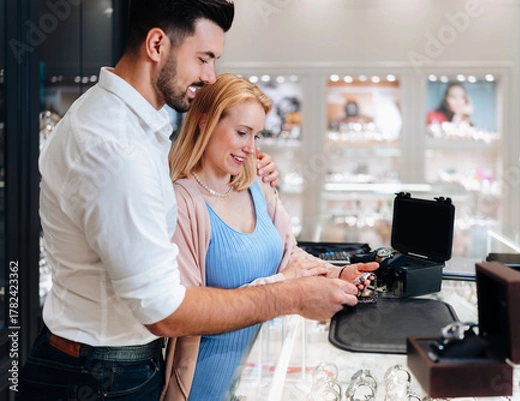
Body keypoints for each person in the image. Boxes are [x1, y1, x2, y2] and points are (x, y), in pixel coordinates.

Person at [18, 1, 363, 400]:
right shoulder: (116, 146)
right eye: (203, 59)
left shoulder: (131, 124)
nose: (209, 76)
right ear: (157, 44)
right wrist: (293, 296)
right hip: (100, 377)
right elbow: (165, 312)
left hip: (107, 365)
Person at [163, 74, 379, 401]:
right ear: (204, 123)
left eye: (257, 135)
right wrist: (284, 285)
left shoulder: (258, 185)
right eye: (241, 133)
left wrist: (336, 274)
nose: (251, 147)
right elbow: (185, 314)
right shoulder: (182, 202)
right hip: (207, 381)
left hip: (263, 372)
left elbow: (290, 255)